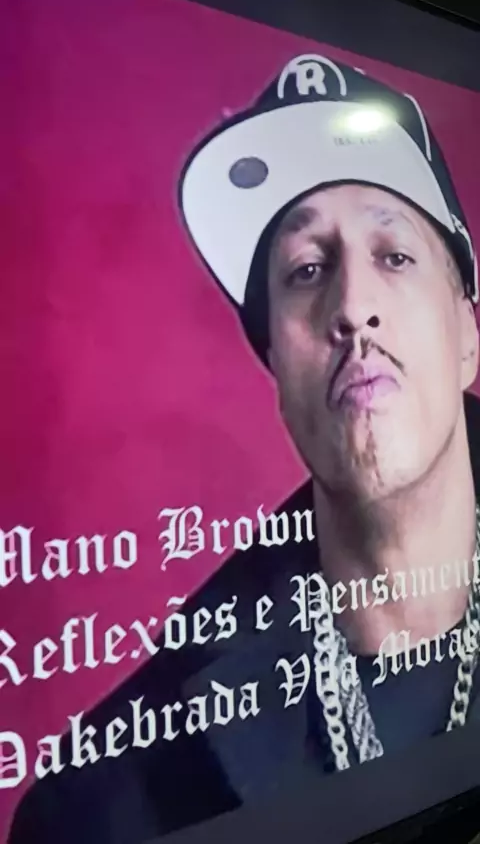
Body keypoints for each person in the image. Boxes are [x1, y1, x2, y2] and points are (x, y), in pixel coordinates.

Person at [8, 53, 480, 843]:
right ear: (277, 371)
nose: (352, 306)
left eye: (394, 255)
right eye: (306, 269)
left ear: (468, 331)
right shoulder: (114, 796)